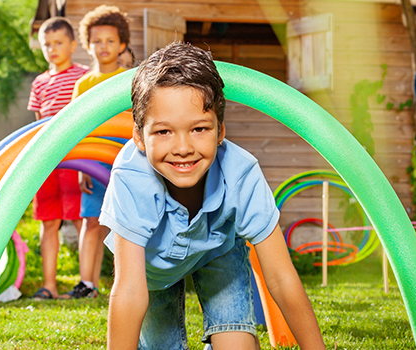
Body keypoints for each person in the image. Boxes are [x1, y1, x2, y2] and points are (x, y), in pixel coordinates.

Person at [102, 42, 326, 349]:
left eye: (199, 129)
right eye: (164, 132)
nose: (183, 147)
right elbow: (129, 290)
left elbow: (282, 279)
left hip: (217, 247)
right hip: (151, 267)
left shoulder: (240, 173)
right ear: (139, 137)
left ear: (220, 131)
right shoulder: (131, 177)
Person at [64, 5, 131, 299]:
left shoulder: (128, 80)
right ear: (88, 46)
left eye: (110, 41)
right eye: (97, 41)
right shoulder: (84, 84)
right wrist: (81, 168)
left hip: (124, 163)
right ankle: (87, 283)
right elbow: (78, 129)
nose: (103, 47)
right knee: (91, 221)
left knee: (124, 225)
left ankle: (126, 282)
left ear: (122, 45)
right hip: (93, 165)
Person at [26, 17, 88, 300]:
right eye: (46, 44)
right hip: (48, 161)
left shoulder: (84, 76)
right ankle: (49, 285)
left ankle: (85, 283)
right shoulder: (39, 83)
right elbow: (38, 124)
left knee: (80, 218)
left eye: (58, 43)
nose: (52, 49)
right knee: (49, 222)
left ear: (73, 45)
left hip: (76, 158)